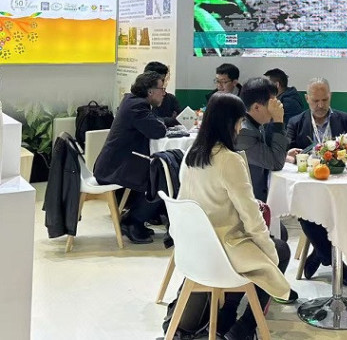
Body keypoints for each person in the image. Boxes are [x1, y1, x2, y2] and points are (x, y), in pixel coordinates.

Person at [178, 92, 291, 340]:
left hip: (192, 247)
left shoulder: (190, 155)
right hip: (222, 249)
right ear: (231, 123)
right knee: (280, 249)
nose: (241, 128)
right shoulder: (229, 160)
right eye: (240, 122)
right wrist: (269, 252)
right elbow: (251, 218)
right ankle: (243, 328)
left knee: (263, 245)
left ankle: (226, 317)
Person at [286, 77, 347, 286]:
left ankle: (319, 255)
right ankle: (332, 259)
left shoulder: (346, 120)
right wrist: (290, 156)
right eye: (315, 101)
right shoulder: (296, 122)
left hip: (342, 189)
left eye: (324, 100)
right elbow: (286, 152)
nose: (320, 105)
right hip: (310, 189)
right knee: (305, 213)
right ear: (307, 99)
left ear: (330, 97)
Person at [94, 71, 168, 244]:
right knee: (162, 179)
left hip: (119, 163)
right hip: (115, 168)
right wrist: (162, 123)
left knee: (160, 173)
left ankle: (135, 219)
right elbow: (157, 130)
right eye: (162, 89)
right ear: (150, 91)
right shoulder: (137, 107)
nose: (164, 93)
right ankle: (132, 222)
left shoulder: (132, 101)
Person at [236, 77, 289, 204]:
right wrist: (278, 121)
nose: (276, 107)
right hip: (246, 203)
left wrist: (285, 155)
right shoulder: (244, 132)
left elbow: (267, 154)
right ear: (256, 107)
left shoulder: (254, 123)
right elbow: (276, 163)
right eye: (272, 104)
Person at [143, 61, 181, 125]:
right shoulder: (138, 102)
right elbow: (150, 121)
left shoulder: (171, 98)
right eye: (162, 80)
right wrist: (170, 120)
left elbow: (180, 118)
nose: (164, 83)